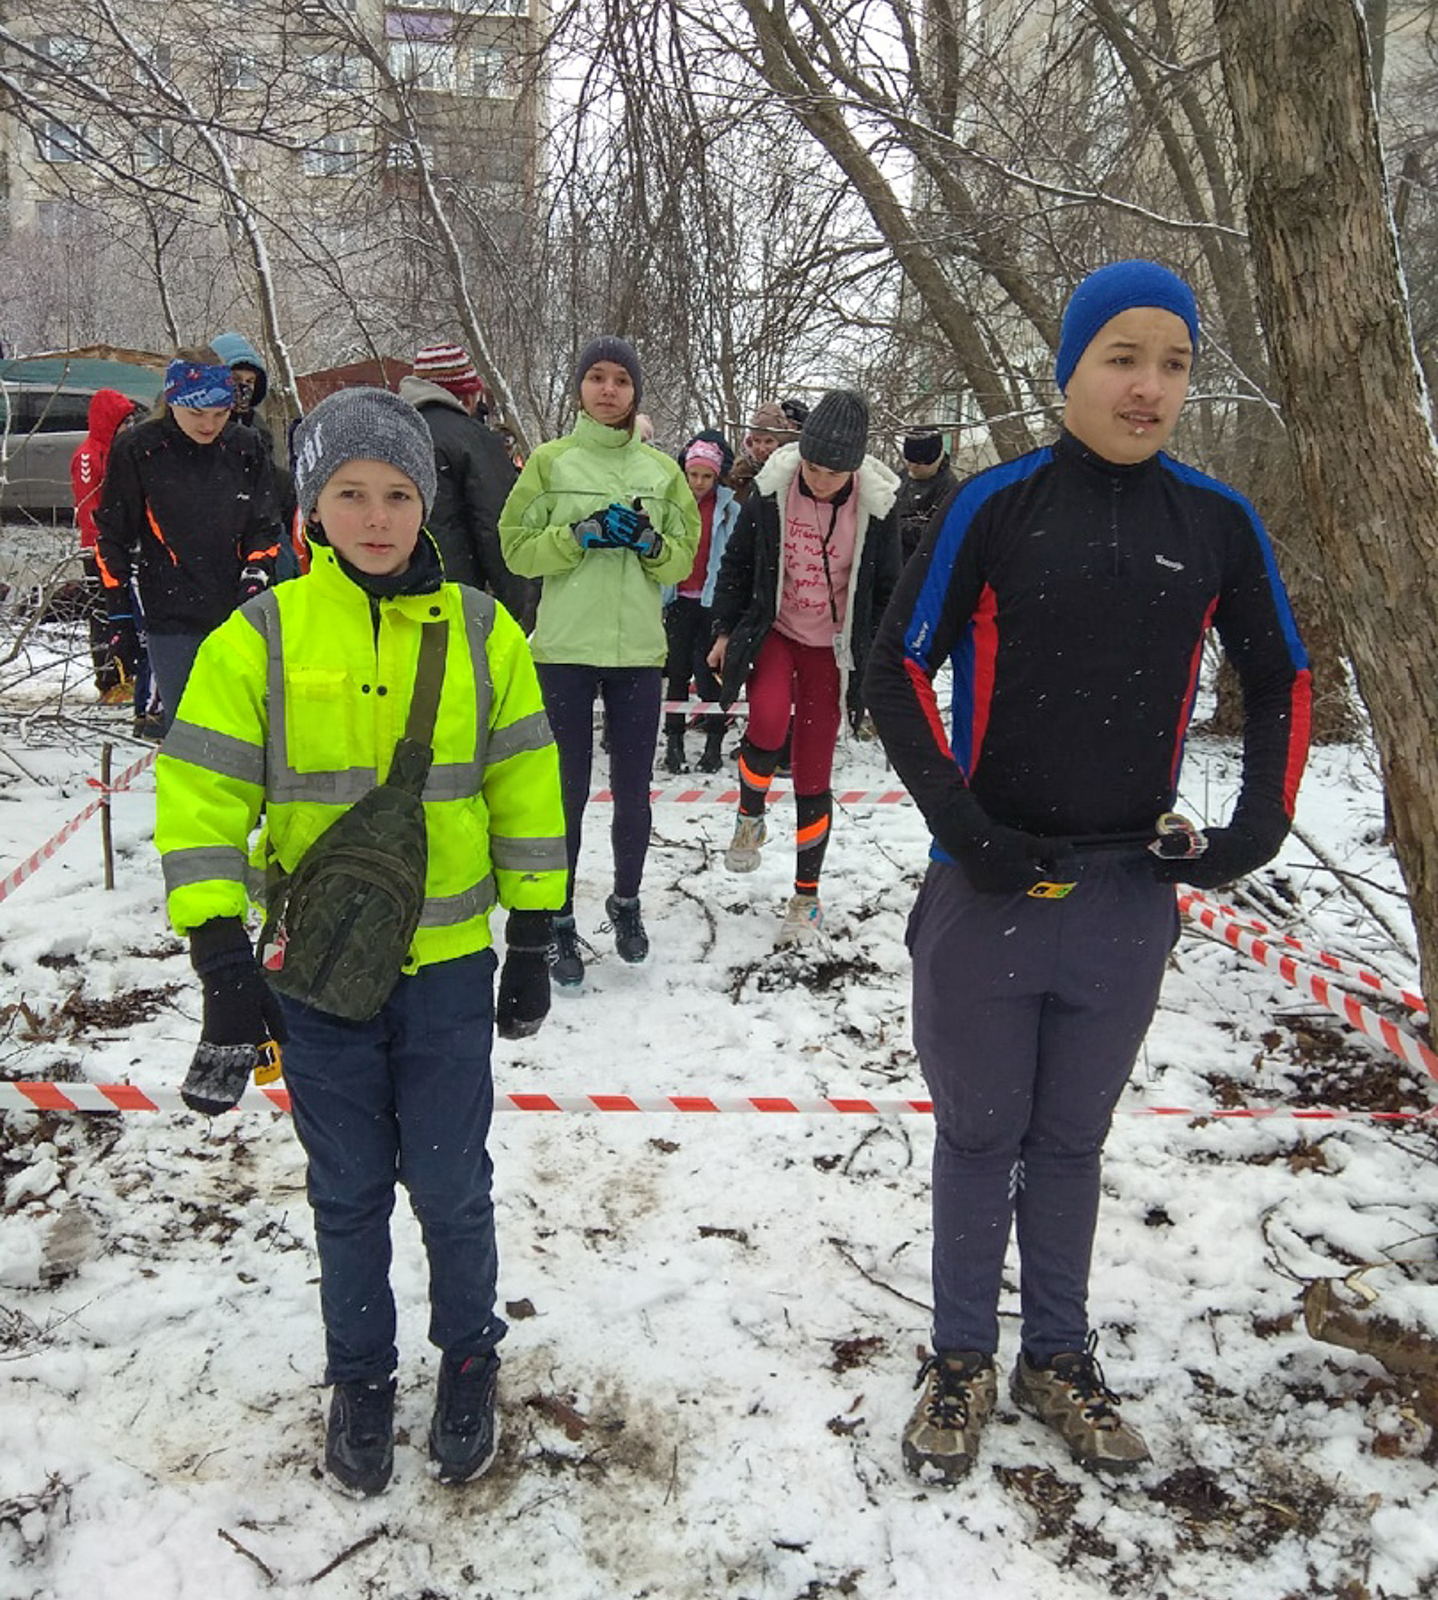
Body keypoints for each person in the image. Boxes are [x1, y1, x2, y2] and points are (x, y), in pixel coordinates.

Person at [864, 260, 1312, 1484]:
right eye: (1122, 357)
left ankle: (1054, 1356)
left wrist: (1254, 828)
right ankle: (960, 1356)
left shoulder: (1214, 521)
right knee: (977, 1134)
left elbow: (1282, 673)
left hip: (1125, 898)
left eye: (1173, 362)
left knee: (1069, 1140)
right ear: (1067, 369)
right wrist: (966, 831)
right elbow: (894, 669)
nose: (1149, 385)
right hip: (991, 891)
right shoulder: (993, 506)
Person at [154, 387, 566, 1497]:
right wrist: (220, 961)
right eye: (349, 493)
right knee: (345, 1192)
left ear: (426, 500)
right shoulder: (264, 635)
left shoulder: (487, 631)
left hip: (442, 973)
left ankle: (470, 1355)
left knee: (450, 1185)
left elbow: (527, 782)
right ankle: (362, 1374)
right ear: (312, 507)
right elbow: (200, 800)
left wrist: (531, 932)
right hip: (319, 981)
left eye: (396, 492)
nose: (375, 515)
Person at [499, 336, 700, 990]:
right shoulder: (551, 464)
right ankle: (558, 917)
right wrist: (576, 535)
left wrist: (646, 541)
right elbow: (515, 548)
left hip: (638, 653)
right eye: (597, 377)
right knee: (565, 794)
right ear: (580, 387)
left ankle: (627, 903)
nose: (609, 389)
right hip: (562, 650)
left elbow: (683, 560)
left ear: (635, 392)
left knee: (634, 793)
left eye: (621, 380)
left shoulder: (664, 473)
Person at [707, 389, 900, 945]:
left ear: (855, 467)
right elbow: (737, 566)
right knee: (766, 718)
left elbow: (888, 588)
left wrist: (879, 653)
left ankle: (806, 896)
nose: (820, 479)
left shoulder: (877, 506)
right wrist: (724, 630)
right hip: (778, 631)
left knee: (814, 771)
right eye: (813, 466)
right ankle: (749, 814)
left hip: (832, 650)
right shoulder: (770, 492)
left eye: (834, 472)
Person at [94, 348, 284, 733]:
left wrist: (256, 574)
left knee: (245, 729)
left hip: (240, 611)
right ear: (172, 401)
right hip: (170, 614)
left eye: (220, 413)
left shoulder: (246, 447)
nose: (209, 425)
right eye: (197, 413)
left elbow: (264, 525)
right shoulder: (138, 450)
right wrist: (119, 616)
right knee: (188, 730)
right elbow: (113, 537)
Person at [398, 342, 535, 629]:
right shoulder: (471, 440)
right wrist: (523, 611)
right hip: (452, 601)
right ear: (468, 396)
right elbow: (498, 527)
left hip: (389, 601)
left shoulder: (388, 432)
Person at [662, 433, 740, 775]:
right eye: (693, 475)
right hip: (677, 599)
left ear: (717, 476)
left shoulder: (728, 509)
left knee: (710, 678)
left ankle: (713, 744)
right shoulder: (672, 504)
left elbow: (735, 556)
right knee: (676, 674)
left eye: (707, 476)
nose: (699, 483)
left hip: (712, 603)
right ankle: (673, 744)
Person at [70, 389, 145, 706]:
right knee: (103, 614)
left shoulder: (118, 453)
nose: (129, 426)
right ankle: (109, 679)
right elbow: (89, 505)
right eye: (123, 420)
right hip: (98, 547)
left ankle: (127, 676)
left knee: (123, 611)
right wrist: (105, 540)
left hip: (120, 545)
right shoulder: (90, 455)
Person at [894, 427, 959, 564]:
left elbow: (936, 535)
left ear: (932, 461)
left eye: (918, 464)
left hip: (920, 566)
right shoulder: (902, 478)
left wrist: (897, 527)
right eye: (909, 461)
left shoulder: (948, 489)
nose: (911, 467)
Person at [727, 400, 801, 506]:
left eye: (769, 441)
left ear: (780, 443)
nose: (762, 448)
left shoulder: (791, 471)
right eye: (757, 441)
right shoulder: (739, 474)